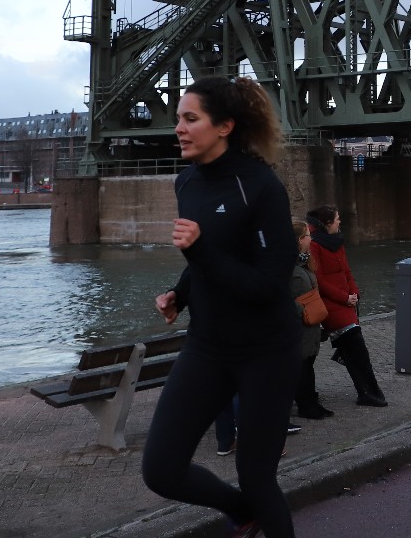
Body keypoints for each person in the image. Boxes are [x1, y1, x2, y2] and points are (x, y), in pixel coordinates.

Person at [143, 76, 299, 538]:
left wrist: (199, 250)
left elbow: (267, 284)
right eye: (178, 119)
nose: (179, 128)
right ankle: (242, 512)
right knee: (161, 470)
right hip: (207, 347)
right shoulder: (187, 182)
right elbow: (209, 261)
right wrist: (180, 292)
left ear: (225, 126)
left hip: (267, 351)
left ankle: (257, 507)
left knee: (257, 477)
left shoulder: (260, 186)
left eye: (191, 119)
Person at [307, 205, 388, 407]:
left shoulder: (337, 242)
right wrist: (345, 298)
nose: (340, 222)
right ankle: (370, 391)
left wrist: (355, 293)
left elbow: (347, 272)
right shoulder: (315, 245)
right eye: (337, 219)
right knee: (356, 344)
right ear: (327, 223)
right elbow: (319, 280)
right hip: (332, 305)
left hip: (347, 303)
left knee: (351, 347)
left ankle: (366, 392)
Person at [292, 219, 331, 420]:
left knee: (309, 362)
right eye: (308, 235)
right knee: (302, 365)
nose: (311, 239)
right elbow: (280, 295)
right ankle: (306, 406)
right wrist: (302, 310)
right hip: (299, 323)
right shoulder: (287, 265)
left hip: (311, 323)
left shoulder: (305, 262)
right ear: (299, 239)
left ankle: (312, 402)